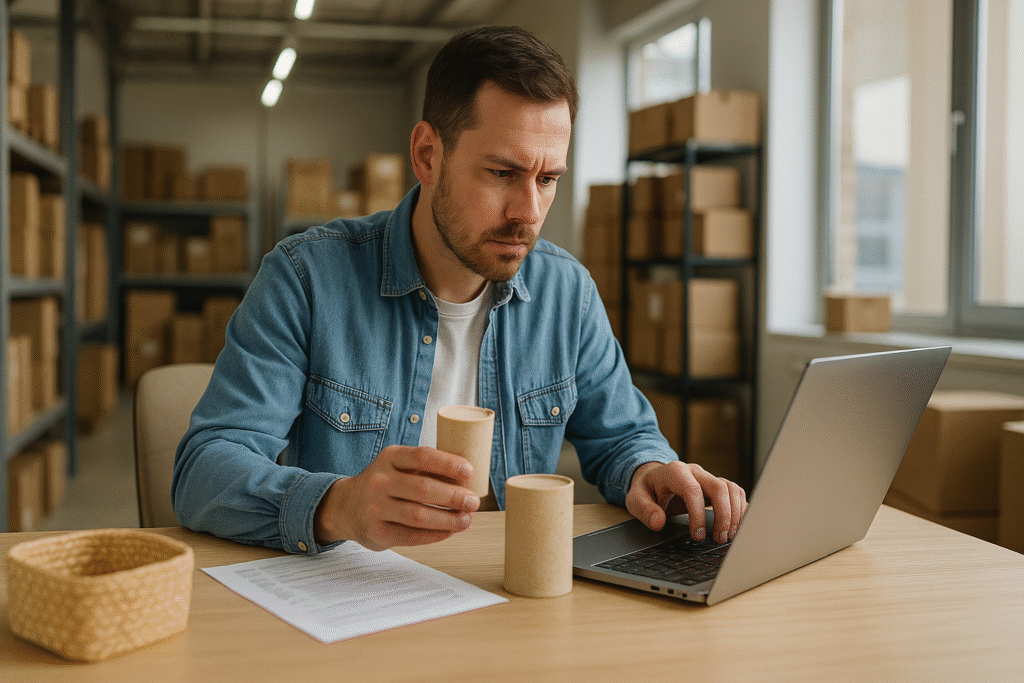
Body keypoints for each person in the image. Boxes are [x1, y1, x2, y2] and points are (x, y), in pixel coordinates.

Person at [172, 25, 748, 556]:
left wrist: (651, 472)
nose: (529, 212)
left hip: (508, 592)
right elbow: (204, 472)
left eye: (547, 179)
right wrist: (337, 506)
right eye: (502, 173)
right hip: (354, 605)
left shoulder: (566, 293)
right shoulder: (306, 280)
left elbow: (624, 438)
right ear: (427, 155)